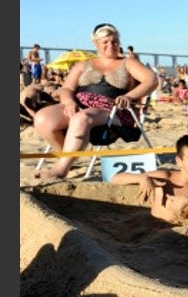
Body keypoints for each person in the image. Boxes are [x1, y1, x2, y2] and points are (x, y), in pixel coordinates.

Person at [33, 23, 157, 180]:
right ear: (95, 44)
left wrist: (129, 96)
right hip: (80, 104)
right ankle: (65, 156)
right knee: (42, 118)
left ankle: (61, 169)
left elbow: (151, 80)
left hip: (113, 110)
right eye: (105, 42)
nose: (110, 45)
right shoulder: (83, 64)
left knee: (82, 118)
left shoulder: (128, 63)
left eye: (114, 41)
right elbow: (66, 89)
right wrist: (69, 102)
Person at [111, 133, 188, 223]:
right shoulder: (166, 177)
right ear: (179, 161)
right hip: (150, 228)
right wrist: (141, 178)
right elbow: (115, 178)